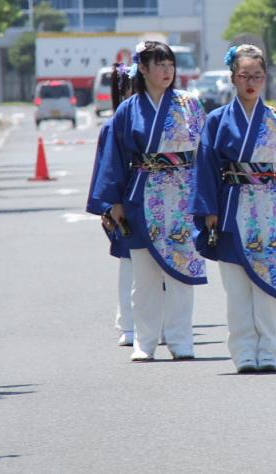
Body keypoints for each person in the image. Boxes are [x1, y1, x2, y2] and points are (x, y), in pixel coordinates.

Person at [191, 45, 276, 373]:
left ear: (265, 79)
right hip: (232, 207)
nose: (251, 82)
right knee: (237, 288)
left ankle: (268, 351)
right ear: (233, 78)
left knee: (267, 284)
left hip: (270, 208)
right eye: (244, 75)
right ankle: (244, 351)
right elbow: (205, 165)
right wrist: (209, 209)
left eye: (257, 76)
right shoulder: (216, 120)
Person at [91, 42, 207, 362]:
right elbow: (113, 157)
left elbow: (206, 155)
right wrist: (113, 202)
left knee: (182, 272)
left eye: (170, 64)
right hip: (143, 196)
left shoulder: (191, 105)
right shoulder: (128, 110)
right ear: (142, 68)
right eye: (159, 64)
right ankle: (145, 340)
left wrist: (208, 198)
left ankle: (182, 340)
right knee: (144, 277)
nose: (167, 70)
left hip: (184, 195)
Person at [85, 63, 135, 347]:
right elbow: (105, 168)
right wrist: (107, 206)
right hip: (125, 203)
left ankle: (159, 322)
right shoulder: (115, 124)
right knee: (130, 262)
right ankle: (127, 322)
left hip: (159, 200)